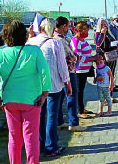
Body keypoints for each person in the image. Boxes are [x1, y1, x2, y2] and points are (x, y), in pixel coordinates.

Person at [0, 20, 52, 164]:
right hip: (32, 100)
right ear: (25, 35)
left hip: (9, 100)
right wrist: (45, 93)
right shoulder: (34, 51)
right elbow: (45, 71)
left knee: (14, 137)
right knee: (31, 136)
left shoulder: (1, 54)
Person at [27, 18, 72, 157]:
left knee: (38, 117)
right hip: (53, 86)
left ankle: (39, 144)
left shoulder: (30, 42)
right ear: (52, 29)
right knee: (51, 117)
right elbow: (62, 67)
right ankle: (51, 146)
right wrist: (68, 83)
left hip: (35, 87)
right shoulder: (55, 43)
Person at [54, 17, 87, 132]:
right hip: (68, 70)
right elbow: (70, 55)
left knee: (60, 96)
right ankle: (73, 123)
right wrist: (77, 57)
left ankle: (59, 121)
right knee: (71, 95)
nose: (68, 28)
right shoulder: (60, 40)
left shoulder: (57, 37)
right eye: (67, 26)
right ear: (63, 26)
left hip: (56, 71)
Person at [70, 21, 99, 119]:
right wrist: (92, 59)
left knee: (82, 89)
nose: (87, 32)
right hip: (79, 69)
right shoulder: (75, 40)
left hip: (85, 68)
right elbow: (77, 56)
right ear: (79, 30)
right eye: (86, 30)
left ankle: (81, 107)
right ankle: (79, 110)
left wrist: (93, 58)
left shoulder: (82, 40)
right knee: (78, 90)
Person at [95, 18, 118, 103]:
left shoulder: (109, 34)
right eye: (102, 24)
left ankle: (110, 96)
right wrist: (102, 33)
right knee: (103, 78)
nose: (104, 26)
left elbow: (109, 46)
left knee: (111, 76)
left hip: (111, 57)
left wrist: (116, 46)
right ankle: (103, 98)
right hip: (103, 59)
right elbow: (98, 44)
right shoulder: (98, 34)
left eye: (105, 24)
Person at [110, 14, 118, 91]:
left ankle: (114, 83)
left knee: (116, 68)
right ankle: (112, 85)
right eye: (117, 20)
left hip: (117, 49)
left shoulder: (116, 27)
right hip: (112, 49)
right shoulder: (110, 28)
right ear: (113, 20)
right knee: (112, 69)